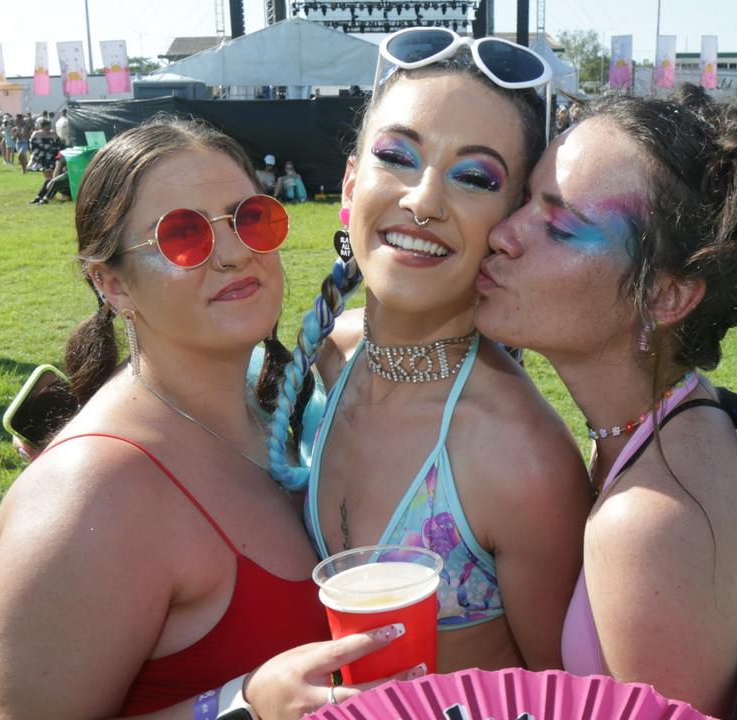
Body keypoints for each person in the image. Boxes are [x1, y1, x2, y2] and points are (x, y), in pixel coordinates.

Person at [0, 117, 358, 718]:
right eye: (183, 236)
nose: (233, 254)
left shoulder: (276, 402)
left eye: (250, 218)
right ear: (112, 284)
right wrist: (242, 708)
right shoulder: (88, 498)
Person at [253, 32, 590, 717]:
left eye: (474, 178)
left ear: (512, 223)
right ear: (351, 184)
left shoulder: (520, 458)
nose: (423, 201)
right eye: (397, 157)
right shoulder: (327, 358)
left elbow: (570, 700)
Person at [475, 87, 737, 719]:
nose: (501, 234)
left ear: (665, 296)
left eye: (558, 225)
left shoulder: (653, 522)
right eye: (524, 200)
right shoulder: (671, 425)